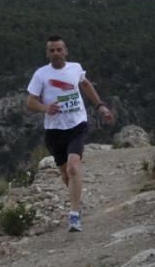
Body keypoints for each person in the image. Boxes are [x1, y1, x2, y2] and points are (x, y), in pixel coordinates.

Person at [26, 35, 114, 232]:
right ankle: (76, 199)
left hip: (77, 125)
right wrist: (45, 107)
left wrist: (100, 106)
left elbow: (86, 85)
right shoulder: (41, 74)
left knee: (74, 167)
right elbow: (30, 101)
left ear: (65, 51)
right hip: (54, 131)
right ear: (47, 53)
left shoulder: (75, 68)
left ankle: (74, 215)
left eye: (59, 49)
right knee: (66, 174)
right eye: (52, 50)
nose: (56, 53)